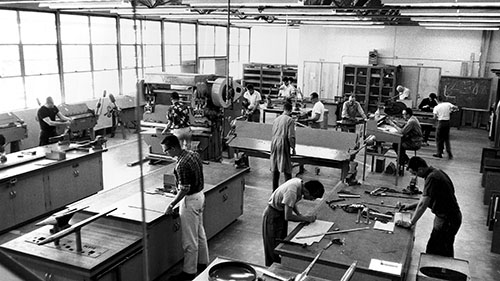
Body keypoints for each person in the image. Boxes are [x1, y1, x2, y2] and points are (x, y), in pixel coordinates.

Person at [163, 135, 209, 281]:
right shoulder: (193, 154)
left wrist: (172, 204)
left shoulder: (181, 164)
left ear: (175, 147)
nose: (166, 153)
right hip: (200, 196)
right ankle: (203, 263)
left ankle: (189, 272)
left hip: (190, 201)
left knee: (189, 239)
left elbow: (185, 188)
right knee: (200, 233)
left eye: (166, 151)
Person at [396, 156, 462, 258]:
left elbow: (423, 204)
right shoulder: (437, 172)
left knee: (437, 252)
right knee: (442, 249)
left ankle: (441, 272)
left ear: (420, 169)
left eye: (415, 173)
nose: (416, 176)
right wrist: (410, 206)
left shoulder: (432, 178)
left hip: (447, 220)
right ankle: (442, 270)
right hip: (449, 217)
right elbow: (430, 199)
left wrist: (410, 223)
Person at [262, 178, 324, 266]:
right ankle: (272, 270)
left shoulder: (298, 183)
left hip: (280, 213)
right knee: (272, 246)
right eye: (312, 198)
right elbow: (288, 216)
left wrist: (299, 214)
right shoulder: (292, 191)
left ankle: (280, 265)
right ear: (307, 191)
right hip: (272, 215)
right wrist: (306, 219)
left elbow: (291, 202)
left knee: (281, 243)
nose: (311, 200)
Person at [270, 102, 296, 191]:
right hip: (283, 143)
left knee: (275, 167)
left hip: (274, 143)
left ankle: (274, 191)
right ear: (290, 110)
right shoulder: (290, 120)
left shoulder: (276, 119)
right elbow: (290, 136)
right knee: (287, 168)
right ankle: (288, 191)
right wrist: (293, 147)